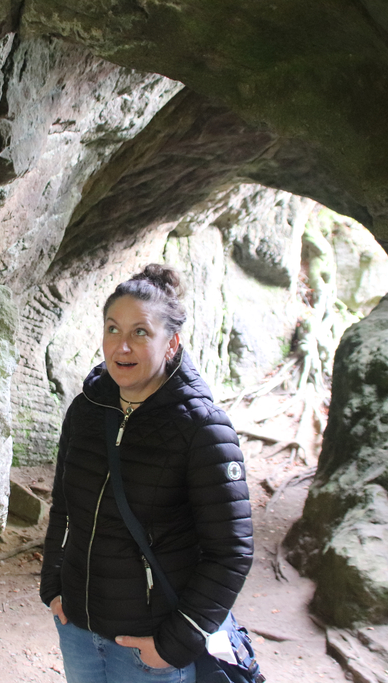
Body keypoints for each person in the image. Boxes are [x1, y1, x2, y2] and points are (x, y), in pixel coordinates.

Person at [40, 264, 254, 683]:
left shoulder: (202, 428)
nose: (122, 346)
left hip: (150, 644)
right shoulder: (85, 411)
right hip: (78, 629)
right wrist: (54, 587)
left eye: (140, 332)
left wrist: (175, 643)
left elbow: (231, 552)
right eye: (112, 329)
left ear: (171, 343)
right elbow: (64, 508)